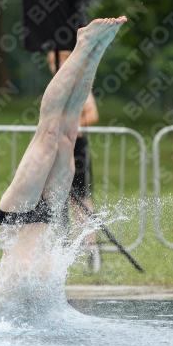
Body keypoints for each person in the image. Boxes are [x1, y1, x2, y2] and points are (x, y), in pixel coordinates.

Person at [0, 17, 127, 292]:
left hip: (16, 217)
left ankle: (84, 44)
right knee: (67, 133)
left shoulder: (0, 310)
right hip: (46, 216)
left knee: (49, 134)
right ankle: (96, 48)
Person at [47, 50, 100, 268]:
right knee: (56, 196)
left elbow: (93, 115)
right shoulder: (55, 86)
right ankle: (61, 245)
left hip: (76, 144)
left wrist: (68, 126)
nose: (55, 65)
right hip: (56, 145)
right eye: (52, 62)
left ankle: (90, 246)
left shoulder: (80, 85)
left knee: (80, 196)